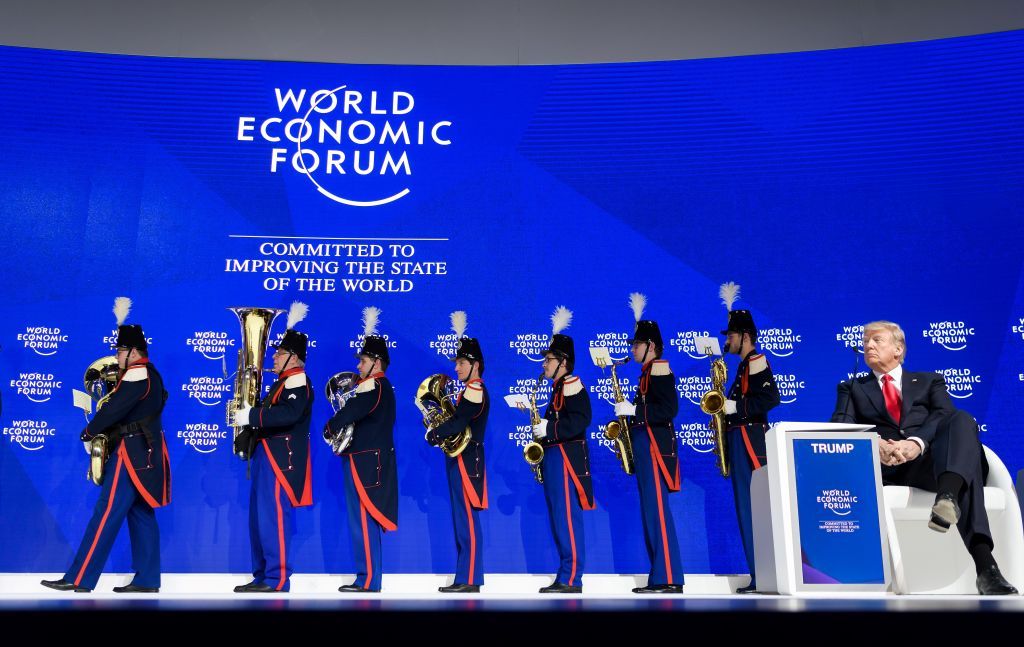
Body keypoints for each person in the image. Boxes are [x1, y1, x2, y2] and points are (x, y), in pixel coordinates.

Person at [831, 320, 1017, 595]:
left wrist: (916, 443)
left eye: (876, 340)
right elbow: (841, 427)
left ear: (898, 348)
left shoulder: (929, 381)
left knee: (962, 419)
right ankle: (985, 568)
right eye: (865, 341)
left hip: (931, 461)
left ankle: (948, 496)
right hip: (892, 469)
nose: (867, 345)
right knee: (964, 473)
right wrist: (876, 444)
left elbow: (944, 416)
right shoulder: (852, 388)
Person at [42, 297, 170, 594]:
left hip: (131, 453)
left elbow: (112, 412)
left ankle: (79, 578)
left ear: (133, 352)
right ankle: (148, 579)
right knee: (140, 513)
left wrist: (88, 432)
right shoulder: (150, 375)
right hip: (145, 453)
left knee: (106, 512)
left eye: (120, 350)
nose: (116, 355)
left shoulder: (137, 373)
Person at [231, 301, 313, 593]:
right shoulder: (282, 383)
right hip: (268, 455)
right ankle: (262, 574)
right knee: (259, 519)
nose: (274, 357)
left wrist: (251, 415)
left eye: (279, 353)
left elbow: (289, 415)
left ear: (293, 357)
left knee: (273, 516)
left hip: (281, 459)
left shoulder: (297, 381)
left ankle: (277, 578)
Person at [614, 293, 684, 593]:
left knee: (657, 511)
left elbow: (668, 410)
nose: (632, 349)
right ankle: (659, 575)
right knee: (649, 513)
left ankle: (669, 576)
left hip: (655, 449)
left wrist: (634, 411)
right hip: (645, 448)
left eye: (636, 344)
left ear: (651, 346)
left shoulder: (659, 370)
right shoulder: (646, 374)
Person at [325, 306, 398, 593]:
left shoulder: (374, 387)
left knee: (364, 519)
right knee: (362, 520)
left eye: (363, 360)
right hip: (365, 460)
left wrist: (329, 428)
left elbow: (350, 412)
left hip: (366, 463)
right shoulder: (375, 387)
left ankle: (368, 578)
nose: (358, 365)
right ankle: (367, 576)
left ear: (376, 363)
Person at [717, 282, 779, 594]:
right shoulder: (743, 366)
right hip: (738, 439)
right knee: (745, 508)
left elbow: (769, 400)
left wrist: (735, 407)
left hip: (751, 440)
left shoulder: (756, 362)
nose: (726, 340)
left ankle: (764, 575)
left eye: (730, 335)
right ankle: (758, 574)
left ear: (745, 337)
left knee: (752, 508)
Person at [528, 306, 594, 593]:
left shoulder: (571, 384)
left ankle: (571, 577)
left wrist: (549, 430)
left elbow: (581, 420)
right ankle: (565, 574)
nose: (544, 363)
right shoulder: (558, 387)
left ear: (563, 362)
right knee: (559, 516)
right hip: (555, 458)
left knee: (566, 516)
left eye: (549, 359)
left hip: (566, 459)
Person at [426, 311, 488, 593]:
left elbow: (460, 420)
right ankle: (465, 576)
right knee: (461, 520)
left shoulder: (475, 388)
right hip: (459, 458)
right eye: (458, 362)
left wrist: (436, 432)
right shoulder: (467, 388)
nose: (458, 367)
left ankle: (471, 578)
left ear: (475, 364)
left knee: (467, 521)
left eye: (462, 362)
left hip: (467, 459)